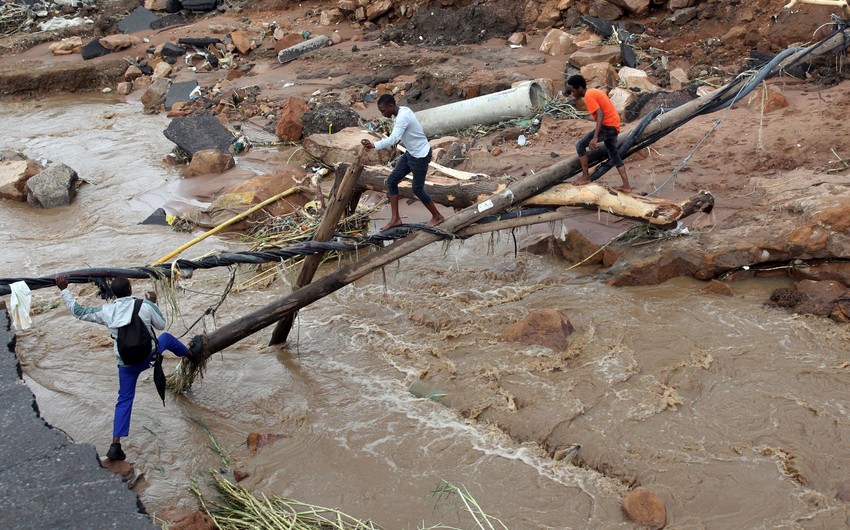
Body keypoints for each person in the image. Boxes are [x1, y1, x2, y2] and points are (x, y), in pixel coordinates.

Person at [55, 274, 192, 461]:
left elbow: (78, 311)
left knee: (124, 399)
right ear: (130, 290)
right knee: (166, 338)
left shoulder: (107, 311)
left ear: (113, 293)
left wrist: (64, 289)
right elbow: (161, 325)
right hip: (148, 356)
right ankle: (192, 355)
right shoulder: (144, 305)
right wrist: (153, 302)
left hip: (127, 365)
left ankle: (115, 445)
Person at [361, 94, 445, 231]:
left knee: (417, 189)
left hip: (420, 156)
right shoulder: (403, 111)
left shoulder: (402, 117)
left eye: (383, 110)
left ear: (391, 106)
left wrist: (373, 145)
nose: (382, 114)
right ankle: (395, 219)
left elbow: (393, 139)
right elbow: (405, 133)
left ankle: (437, 216)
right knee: (391, 181)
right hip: (411, 153)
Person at [566, 74, 632, 193]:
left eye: (573, 91)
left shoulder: (589, 96)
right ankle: (626, 186)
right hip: (614, 124)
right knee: (614, 154)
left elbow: (600, 114)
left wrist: (595, 137)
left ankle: (585, 177)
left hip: (608, 126)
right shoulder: (593, 91)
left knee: (580, 145)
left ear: (580, 88)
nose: (572, 93)